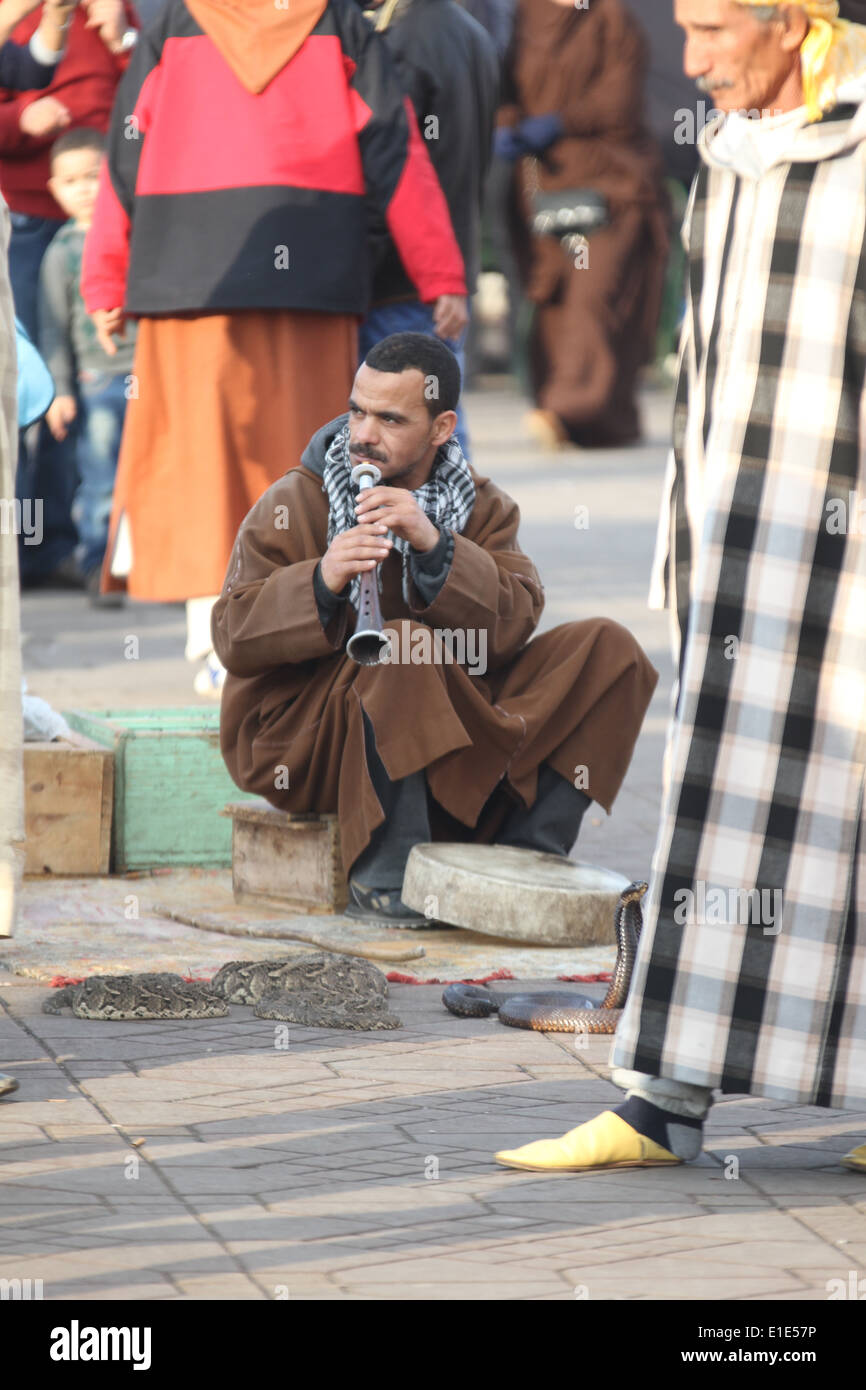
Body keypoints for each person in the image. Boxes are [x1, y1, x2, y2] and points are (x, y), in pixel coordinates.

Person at [496, 0, 866, 1178]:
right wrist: (679, 537)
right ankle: (662, 1101)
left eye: (713, 32)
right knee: (718, 821)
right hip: (738, 552)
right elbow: (703, 366)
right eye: (684, 31)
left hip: (843, 553)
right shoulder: (730, 149)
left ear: (795, 23)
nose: (691, 61)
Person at [82, 0, 468, 699]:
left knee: (196, 467)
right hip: (313, 270)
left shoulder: (174, 24)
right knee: (306, 462)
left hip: (186, 270)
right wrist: (439, 271)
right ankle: (295, 632)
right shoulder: (342, 25)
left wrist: (106, 274)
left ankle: (213, 636)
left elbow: (125, 149)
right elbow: (394, 149)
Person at [211, 332, 658, 926]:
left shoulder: (481, 505)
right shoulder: (299, 498)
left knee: (611, 651)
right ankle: (386, 877)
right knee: (399, 647)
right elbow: (231, 634)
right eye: (357, 411)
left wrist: (436, 548)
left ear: (442, 428)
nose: (364, 434)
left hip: (453, 717)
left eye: (390, 419)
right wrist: (320, 581)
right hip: (311, 737)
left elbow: (512, 626)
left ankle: (523, 857)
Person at [0, 0, 138, 587]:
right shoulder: (18, 24)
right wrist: (23, 117)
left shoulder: (107, 14)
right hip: (32, 221)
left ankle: (97, 548)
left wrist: (124, 31)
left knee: (108, 393)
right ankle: (38, 546)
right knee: (39, 389)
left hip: (112, 218)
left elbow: (146, 92)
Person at [497, 0, 670, 449]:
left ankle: (569, 407)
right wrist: (509, 124)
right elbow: (501, 86)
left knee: (596, 294)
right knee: (556, 301)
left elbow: (621, 100)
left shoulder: (611, 18)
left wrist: (560, 122)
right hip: (544, 188)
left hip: (613, 184)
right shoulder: (522, 16)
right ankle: (595, 421)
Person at [358, 0, 500, 455]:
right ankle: (456, 525)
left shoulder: (398, 41)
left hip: (400, 272)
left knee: (407, 441)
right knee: (436, 428)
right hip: (441, 262)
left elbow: (393, 166)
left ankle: (441, 527)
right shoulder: (468, 30)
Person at [38, 126, 134, 604]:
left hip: (151, 377)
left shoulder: (137, 238)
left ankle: (162, 568)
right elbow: (53, 328)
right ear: (53, 188)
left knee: (154, 475)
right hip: (96, 381)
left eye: (93, 176)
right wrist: (61, 390)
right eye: (71, 180)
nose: (84, 188)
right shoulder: (61, 252)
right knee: (99, 480)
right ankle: (99, 565)